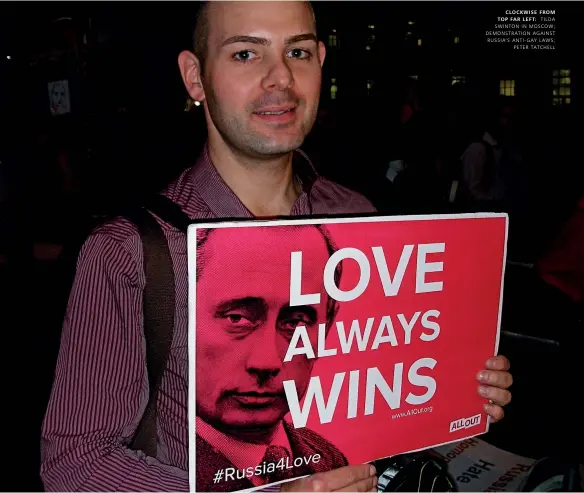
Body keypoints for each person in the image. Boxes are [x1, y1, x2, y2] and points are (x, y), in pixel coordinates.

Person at [40, 2, 513, 492]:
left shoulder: (357, 216)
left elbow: (379, 403)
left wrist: (453, 389)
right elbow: (77, 463)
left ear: (321, 62)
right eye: (246, 53)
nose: (280, 78)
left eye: (299, 51)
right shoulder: (129, 251)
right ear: (195, 77)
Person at [195, 224, 348, 491]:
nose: (266, 362)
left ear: (329, 323)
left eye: (295, 322)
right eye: (237, 318)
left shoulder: (329, 459)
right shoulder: (151, 463)